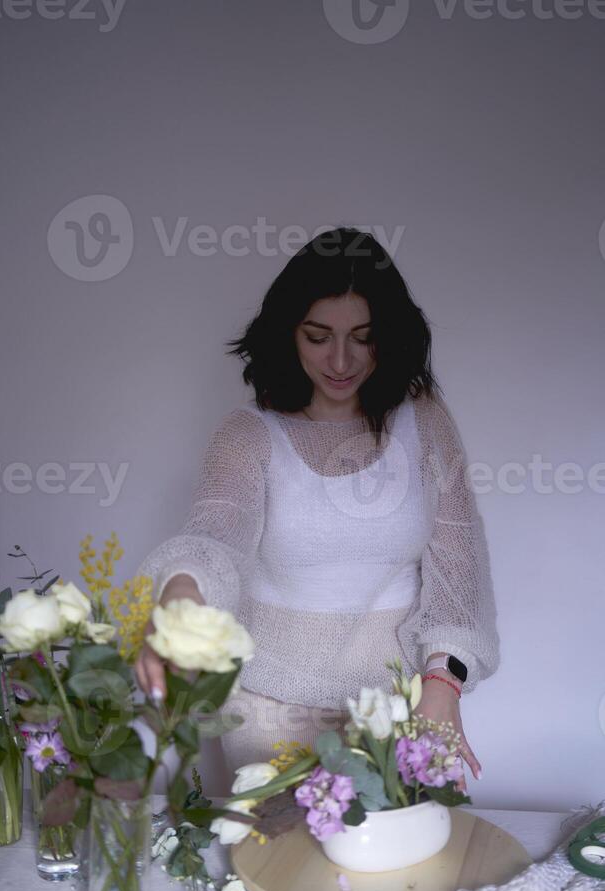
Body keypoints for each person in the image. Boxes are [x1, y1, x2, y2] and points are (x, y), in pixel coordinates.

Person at [134, 227, 499, 792]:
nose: (340, 360)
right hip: (268, 711)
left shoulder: (423, 422)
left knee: (401, 872)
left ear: (391, 336)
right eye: (318, 335)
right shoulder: (248, 433)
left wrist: (442, 683)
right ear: (288, 333)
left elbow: (457, 564)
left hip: (401, 704)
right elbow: (216, 530)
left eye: (363, 336)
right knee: (276, 873)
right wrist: (182, 594)